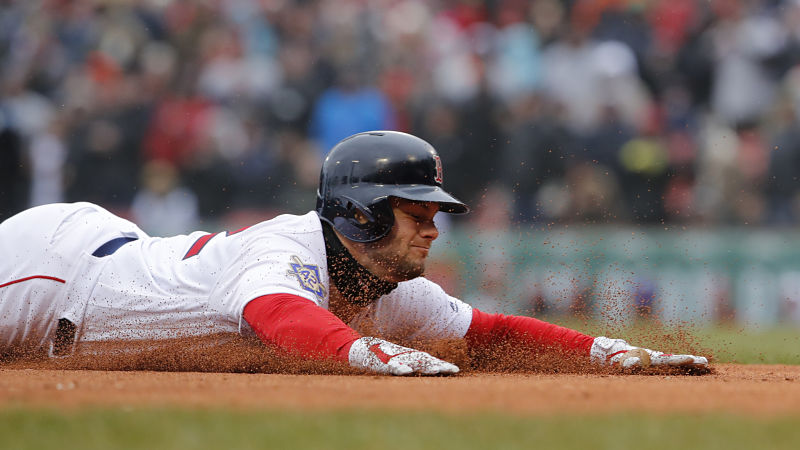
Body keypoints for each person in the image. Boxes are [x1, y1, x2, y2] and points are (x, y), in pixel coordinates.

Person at [0, 131, 708, 375]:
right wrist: (368, 355)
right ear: (361, 214)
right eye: (416, 213)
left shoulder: (388, 289)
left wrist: (608, 352)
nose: (434, 229)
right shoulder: (286, 248)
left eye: (437, 214)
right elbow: (279, 313)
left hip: (80, 283)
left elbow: (486, 333)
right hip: (54, 271)